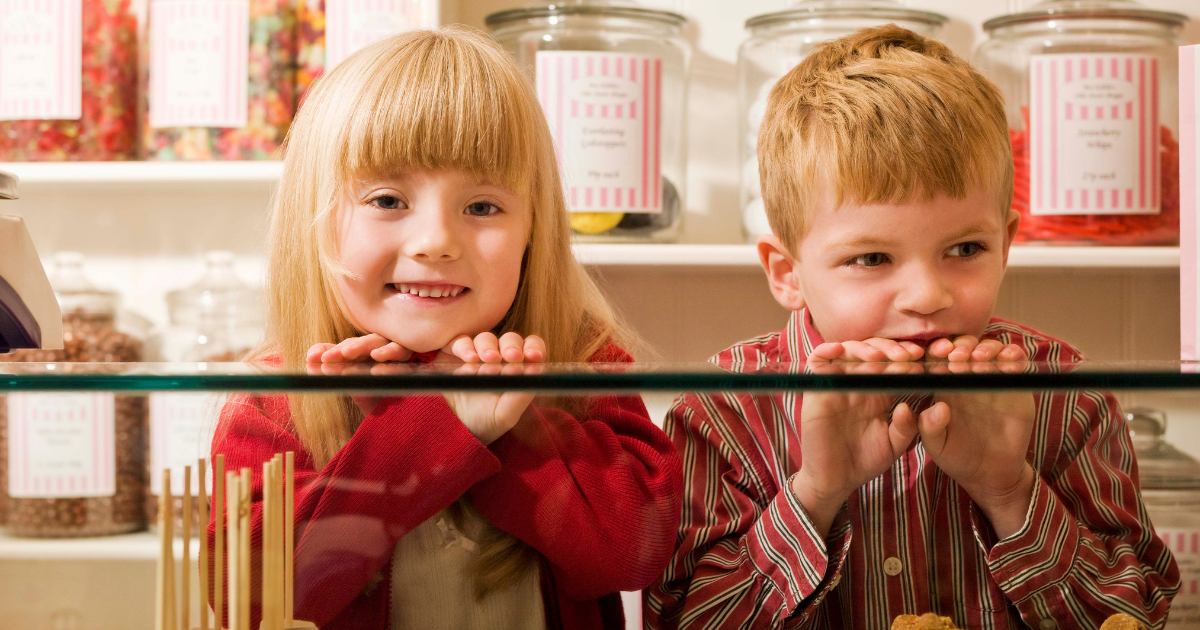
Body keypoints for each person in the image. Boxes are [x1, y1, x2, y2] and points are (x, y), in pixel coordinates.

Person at [646, 25, 1178, 629]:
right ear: (787, 272)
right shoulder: (722, 413)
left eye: (965, 248)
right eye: (871, 258)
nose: (928, 295)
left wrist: (1011, 492)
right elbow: (679, 619)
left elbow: (1140, 613)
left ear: (1006, 244)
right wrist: (814, 494)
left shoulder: (1068, 400)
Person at [207, 27, 682, 630]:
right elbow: (249, 596)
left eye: (482, 207)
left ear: (534, 229)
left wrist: (504, 423)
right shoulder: (276, 396)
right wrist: (431, 423)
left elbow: (636, 554)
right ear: (314, 219)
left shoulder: (583, 361)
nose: (435, 241)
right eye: (386, 200)